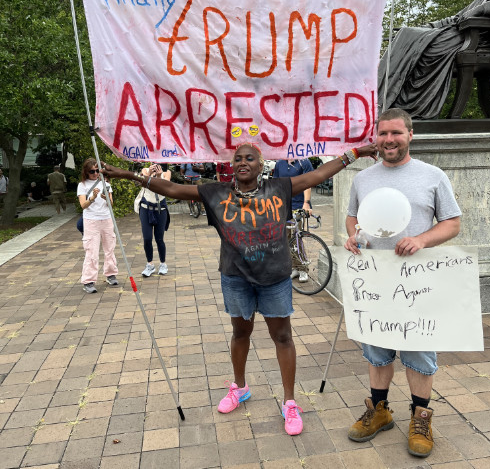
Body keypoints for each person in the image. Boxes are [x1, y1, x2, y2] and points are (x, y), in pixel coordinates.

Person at [101, 141, 377, 436]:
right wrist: (130, 176)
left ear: (261, 164)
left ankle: (289, 402)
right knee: (240, 333)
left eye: (250, 158)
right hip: (236, 277)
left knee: (282, 336)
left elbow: (319, 175)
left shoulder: (280, 188)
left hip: (274, 278)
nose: (243, 162)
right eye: (238, 159)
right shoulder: (217, 192)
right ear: (232, 165)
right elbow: (173, 190)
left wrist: (356, 153)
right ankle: (240, 387)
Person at [343, 108, 461, 458]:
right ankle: (379, 411)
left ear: (410, 135)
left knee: (419, 353)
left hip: (416, 282)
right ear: (376, 138)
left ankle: (420, 418)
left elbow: (452, 223)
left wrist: (422, 240)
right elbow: (353, 218)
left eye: (396, 133)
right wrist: (353, 237)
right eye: (383, 134)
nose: (389, 140)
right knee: (376, 350)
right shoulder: (363, 179)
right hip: (375, 280)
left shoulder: (432, 176)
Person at [77, 158, 119, 294]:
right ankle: (88, 281)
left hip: (106, 218)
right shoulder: (82, 185)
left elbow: (111, 204)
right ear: (86, 172)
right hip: (91, 220)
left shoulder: (105, 183)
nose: (95, 174)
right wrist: (93, 198)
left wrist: (106, 198)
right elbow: (83, 205)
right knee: (91, 250)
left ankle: (111, 274)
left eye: (97, 170)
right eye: (92, 171)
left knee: (110, 248)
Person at [273, 158, 314, 283]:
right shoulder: (280, 163)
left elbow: (308, 183)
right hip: (284, 206)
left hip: (299, 206)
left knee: (297, 238)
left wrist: (306, 203)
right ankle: (293, 267)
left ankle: (302, 268)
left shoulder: (304, 162)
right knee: (285, 239)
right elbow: (276, 184)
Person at [138, 163, 171, 277]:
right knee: (147, 238)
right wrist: (150, 173)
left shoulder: (167, 173)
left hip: (160, 209)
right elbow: (143, 183)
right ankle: (150, 264)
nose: (155, 164)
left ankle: (163, 264)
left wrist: (158, 176)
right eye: (153, 162)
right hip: (145, 209)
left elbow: (165, 188)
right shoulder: (145, 170)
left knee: (159, 238)